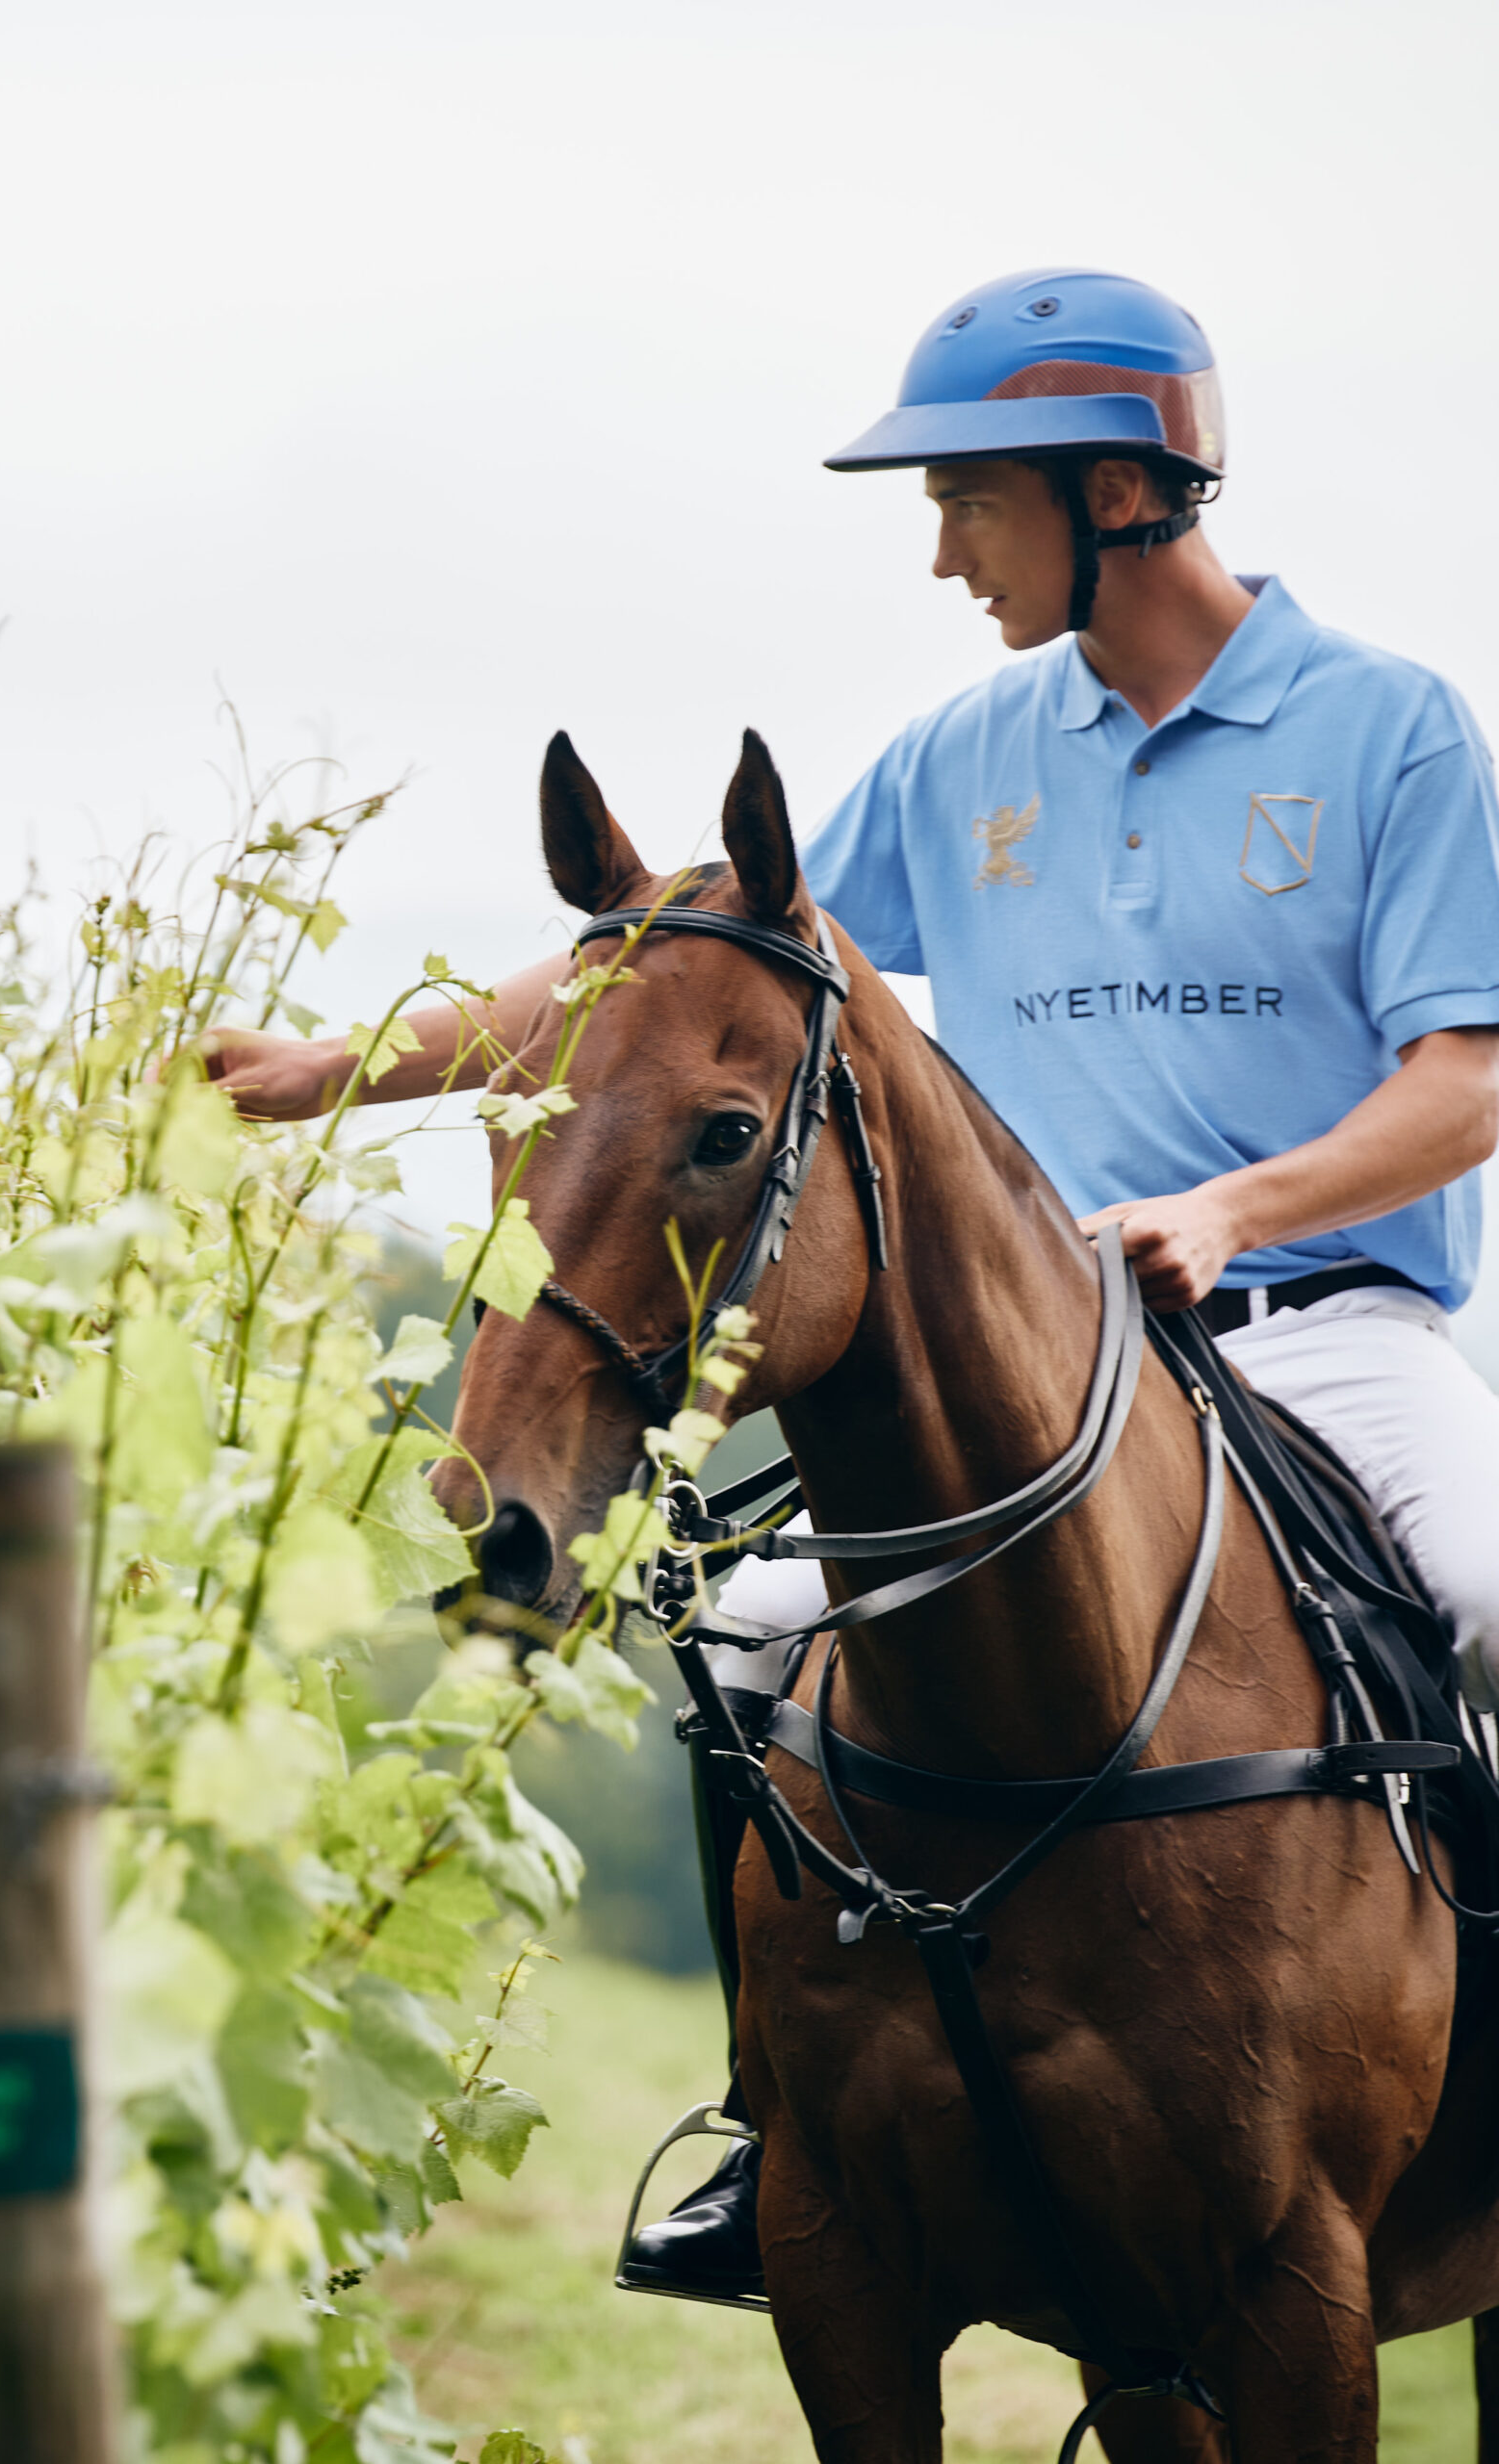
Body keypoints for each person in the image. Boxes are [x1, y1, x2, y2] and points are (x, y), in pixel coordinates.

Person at [199, 268, 1499, 2306]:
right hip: (1051, 1370)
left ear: (1114, 490)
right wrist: (342, 1066)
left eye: (968, 500)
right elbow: (678, 973)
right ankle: (773, 2123)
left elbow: (1463, 1082)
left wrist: (1237, 1210)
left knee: (1494, 1601)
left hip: (1322, 1332)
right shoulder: (967, 753)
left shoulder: (1386, 730)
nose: (943, 552)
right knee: (744, 1639)